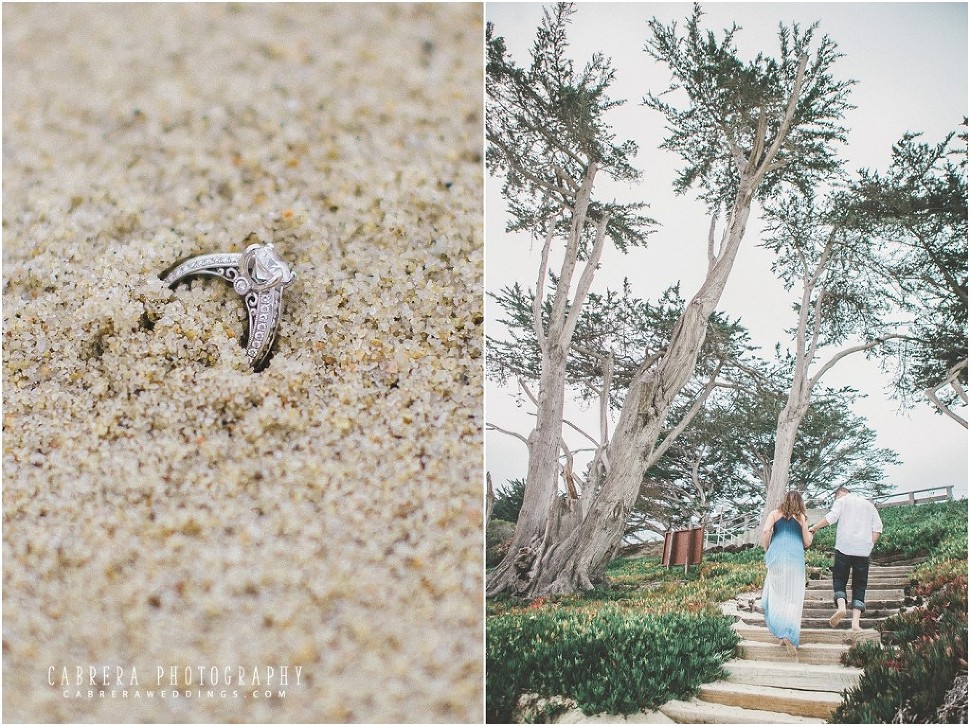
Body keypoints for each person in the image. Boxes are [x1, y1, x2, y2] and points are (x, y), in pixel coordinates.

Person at [809, 485, 883, 632]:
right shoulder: (868, 505)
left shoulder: (842, 500)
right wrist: (869, 545)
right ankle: (855, 623)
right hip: (863, 549)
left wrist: (814, 528)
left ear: (840, 494)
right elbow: (878, 529)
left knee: (839, 579)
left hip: (844, 546)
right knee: (860, 585)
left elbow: (831, 517)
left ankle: (842, 607)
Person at [761, 490, 814, 658]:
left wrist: (767, 548)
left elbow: (766, 532)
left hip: (777, 556)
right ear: (800, 503)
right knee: (793, 598)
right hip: (795, 560)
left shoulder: (775, 514)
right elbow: (806, 543)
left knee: (778, 595)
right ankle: (788, 633)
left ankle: (783, 633)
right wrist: (809, 532)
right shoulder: (802, 518)